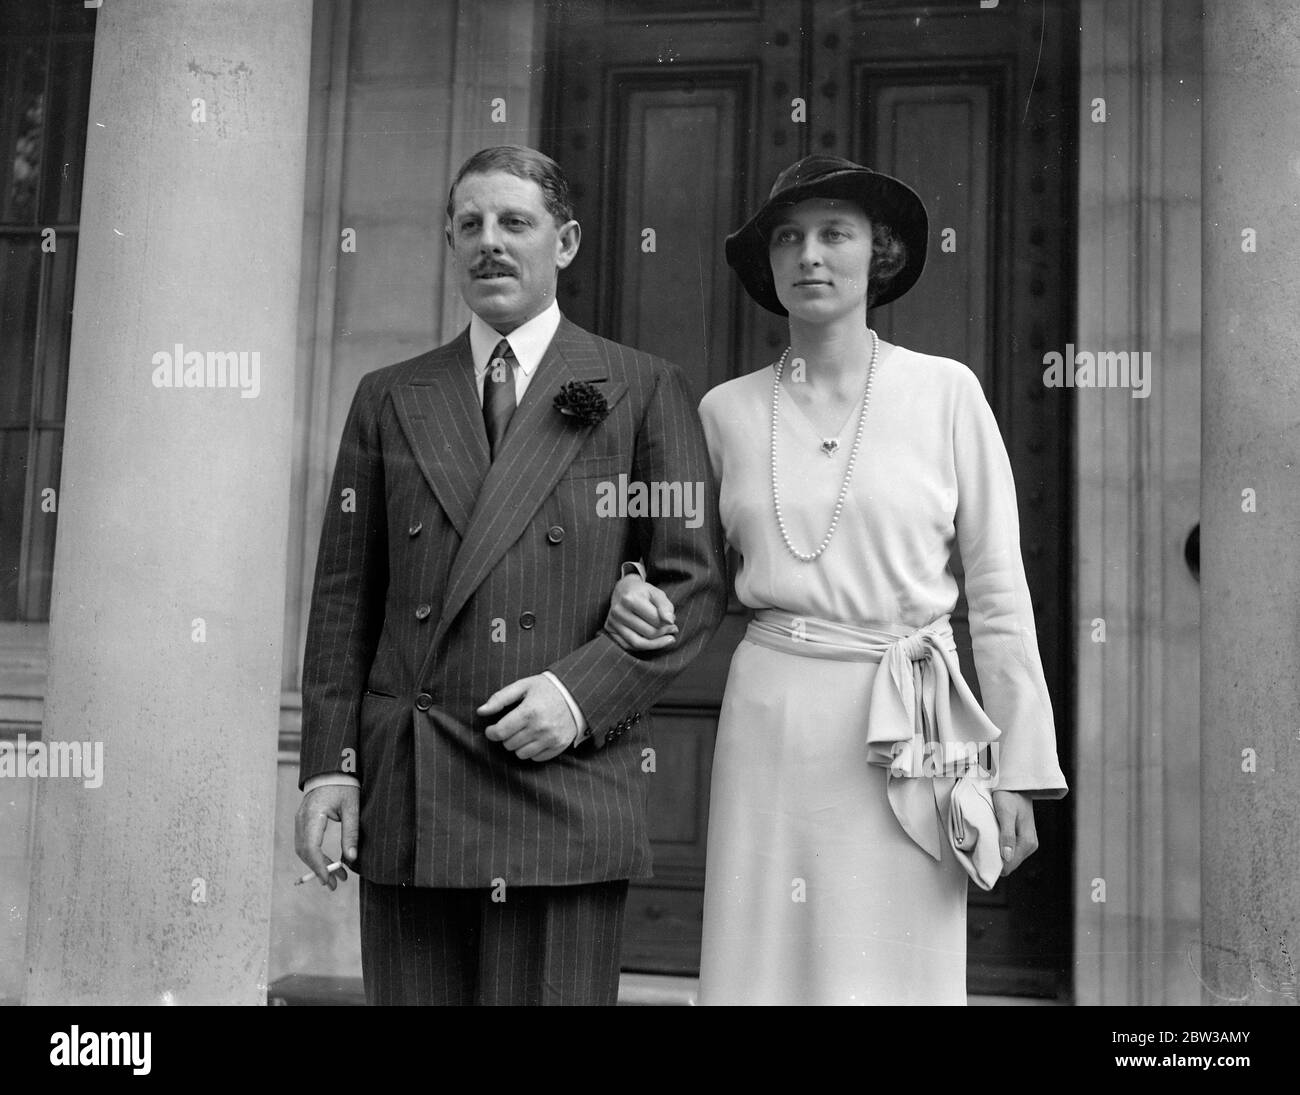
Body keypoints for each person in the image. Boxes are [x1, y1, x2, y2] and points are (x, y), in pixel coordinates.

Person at [604, 154, 1068, 1005]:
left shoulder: (946, 393)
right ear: (770, 264)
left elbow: (999, 592)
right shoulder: (725, 411)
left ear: (878, 253)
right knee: (765, 964)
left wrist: (1017, 771)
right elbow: (676, 563)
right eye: (789, 237)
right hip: (772, 714)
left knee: (893, 970)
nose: (809, 255)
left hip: (912, 715)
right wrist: (633, 582)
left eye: (834, 234)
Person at [294, 145, 727, 1006]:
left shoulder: (642, 388)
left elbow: (692, 581)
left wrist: (576, 697)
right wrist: (329, 768)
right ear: (451, 244)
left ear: (563, 242)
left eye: (515, 223)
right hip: (413, 789)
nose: (490, 242)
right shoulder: (389, 396)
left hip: (559, 787)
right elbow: (346, 595)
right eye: (470, 225)